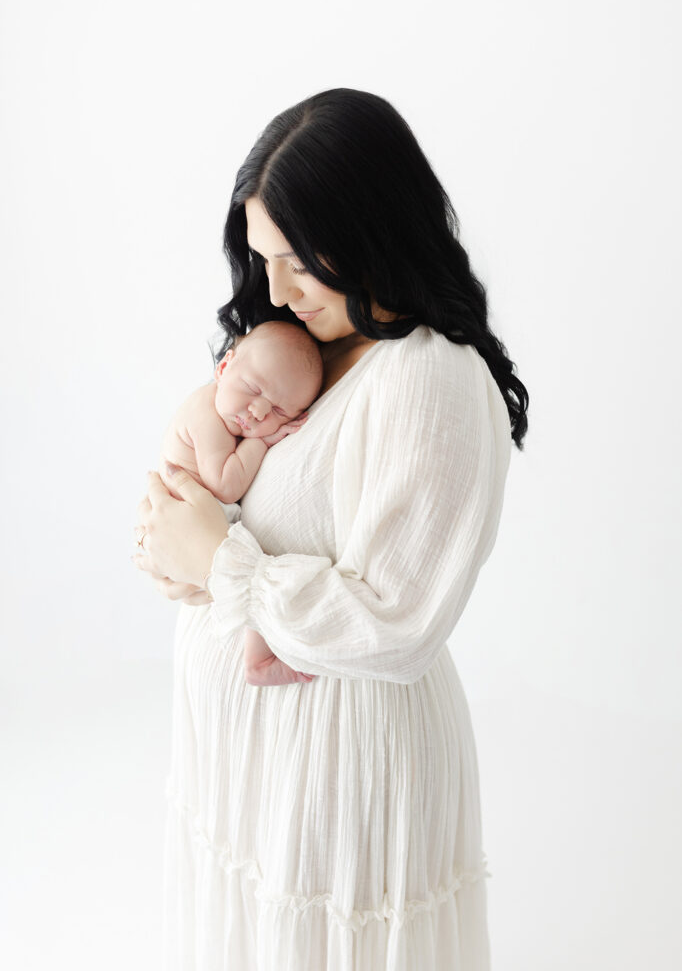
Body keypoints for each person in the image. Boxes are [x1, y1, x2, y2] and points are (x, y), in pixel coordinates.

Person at [132, 87, 529, 970]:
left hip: (343, 774)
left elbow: (396, 623)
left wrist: (219, 561)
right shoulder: (305, 351)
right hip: (249, 778)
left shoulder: (430, 378)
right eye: (263, 258)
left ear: (372, 228)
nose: (274, 288)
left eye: (299, 260)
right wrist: (176, 540)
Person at [156, 319, 323, 685]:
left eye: (280, 412)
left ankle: (257, 657)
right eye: (253, 388)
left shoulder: (228, 407)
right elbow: (226, 483)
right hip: (193, 526)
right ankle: (258, 661)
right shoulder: (207, 413)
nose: (260, 412)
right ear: (224, 366)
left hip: (201, 526)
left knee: (260, 565)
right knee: (256, 561)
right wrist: (261, 442)